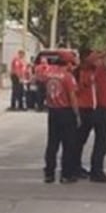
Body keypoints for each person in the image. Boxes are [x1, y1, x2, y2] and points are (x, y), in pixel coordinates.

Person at [43, 52, 81, 184]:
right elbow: (72, 96)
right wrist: (77, 114)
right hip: (66, 112)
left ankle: (49, 174)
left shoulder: (49, 74)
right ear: (68, 63)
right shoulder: (68, 77)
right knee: (68, 144)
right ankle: (66, 174)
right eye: (72, 64)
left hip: (52, 111)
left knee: (52, 144)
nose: (73, 66)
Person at [87, 44, 106, 183]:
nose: (105, 60)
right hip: (103, 110)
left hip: (104, 109)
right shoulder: (100, 71)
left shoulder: (100, 72)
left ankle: (96, 170)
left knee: (102, 143)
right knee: (102, 143)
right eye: (101, 58)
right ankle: (96, 172)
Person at [74, 48, 97, 178]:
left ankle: (78, 165)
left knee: (82, 140)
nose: (95, 59)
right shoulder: (78, 72)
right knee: (77, 140)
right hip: (81, 108)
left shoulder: (93, 70)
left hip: (90, 107)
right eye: (92, 57)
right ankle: (74, 166)